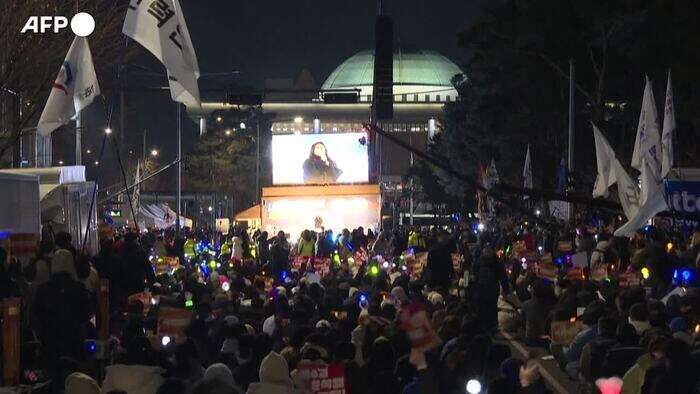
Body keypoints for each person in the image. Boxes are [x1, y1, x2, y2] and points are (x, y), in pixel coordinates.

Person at [32, 249, 92, 382]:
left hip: (50, 344)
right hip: (74, 342)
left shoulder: (43, 290)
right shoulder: (79, 289)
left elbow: (35, 315)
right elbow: (87, 313)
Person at [471, 242, 509, 332]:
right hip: (480, 289)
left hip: (492, 289)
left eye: (489, 250)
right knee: (480, 308)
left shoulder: (497, 263)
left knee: (492, 308)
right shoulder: (479, 262)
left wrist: (505, 289)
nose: (487, 252)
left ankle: (491, 327)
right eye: (486, 250)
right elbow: (474, 275)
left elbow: (503, 277)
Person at [520, 279, 556, 346]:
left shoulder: (526, 304)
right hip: (549, 340)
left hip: (532, 340)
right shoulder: (554, 305)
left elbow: (522, 323)